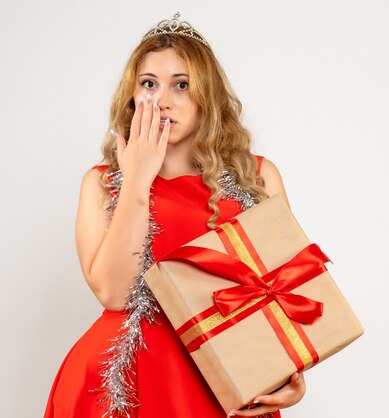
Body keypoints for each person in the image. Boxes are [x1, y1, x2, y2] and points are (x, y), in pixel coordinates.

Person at [44, 12, 306, 418]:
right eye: (148, 84)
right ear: (132, 97)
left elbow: (291, 292)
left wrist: (292, 372)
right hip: (120, 383)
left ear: (208, 96)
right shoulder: (102, 183)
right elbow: (114, 294)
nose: (162, 99)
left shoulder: (258, 177)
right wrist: (137, 180)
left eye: (181, 85)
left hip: (224, 381)